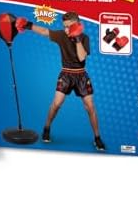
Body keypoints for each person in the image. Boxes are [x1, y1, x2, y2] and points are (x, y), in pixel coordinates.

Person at [16, 11, 106, 151]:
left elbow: (82, 57)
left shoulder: (84, 38)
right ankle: (46, 128)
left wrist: (77, 38)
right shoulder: (62, 35)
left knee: (90, 107)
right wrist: (28, 25)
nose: (66, 29)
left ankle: (97, 137)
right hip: (66, 74)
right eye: (65, 26)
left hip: (81, 75)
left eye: (69, 26)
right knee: (56, 104)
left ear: (78, 25)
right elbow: (45, 31)